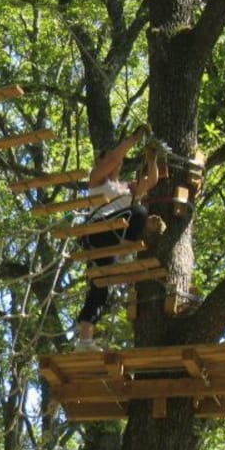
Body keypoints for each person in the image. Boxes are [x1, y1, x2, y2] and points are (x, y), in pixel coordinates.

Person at [74, 126, 159, 351]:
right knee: (139, 212)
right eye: (106, 160)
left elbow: (151, 181)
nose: (112, 162)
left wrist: (152, 158)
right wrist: (134, 137)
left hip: (112, 239)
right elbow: (113, 157)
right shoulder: (97, 180)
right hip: (99, 232)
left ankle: (84, 340)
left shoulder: (126, 187)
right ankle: (124, 252)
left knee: (100, 287)